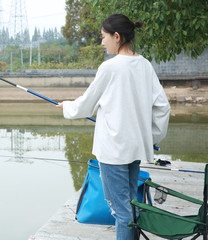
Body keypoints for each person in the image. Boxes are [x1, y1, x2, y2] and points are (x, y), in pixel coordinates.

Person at [56, 14, 170, 240]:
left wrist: (67, 106)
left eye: (103, 37)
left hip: (113, 153)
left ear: (117, 37)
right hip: (134, 150)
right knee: (130, 205)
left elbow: (86, 105)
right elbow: (162, 107)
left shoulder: (109, 68)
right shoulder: (145, 65)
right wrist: (151, 138)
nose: (102, 42)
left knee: (122, 211)